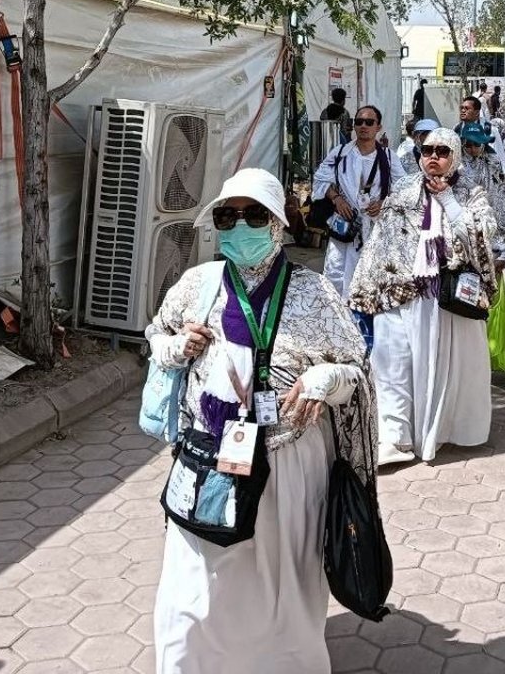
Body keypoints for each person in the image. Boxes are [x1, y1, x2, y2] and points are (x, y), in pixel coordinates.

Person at [147, 168, 376, 674]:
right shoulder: (198, 284)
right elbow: (155, 337)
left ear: (278, 223)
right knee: (195, 584)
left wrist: (325, 379)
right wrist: (175, 346)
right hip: (212, 457)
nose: (239, 226)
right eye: (228, 216)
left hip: (290, 462)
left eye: (254, 215)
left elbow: (357, 371)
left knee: (283, 582)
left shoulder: (314, 292)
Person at [349, 127, 498, 465]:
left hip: (444, 298)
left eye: (443, 151)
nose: (434, 157)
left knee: (440, 368)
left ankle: (440, 431)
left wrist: (447, 199)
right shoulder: (402, 190)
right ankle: (395, 437)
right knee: (391, 362)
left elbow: (482, 235)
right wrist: (365, 288)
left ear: (455, 156)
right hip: (399, 290)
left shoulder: (471, 193)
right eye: (428, 150)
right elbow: (380, 240)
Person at [312, 105, 407, 299]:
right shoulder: (340, 153)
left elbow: (404, 189)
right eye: (359, 122)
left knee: (370, 277)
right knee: (335, 274)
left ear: (378, 127)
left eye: (369, 122)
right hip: (343, 228)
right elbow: (320, 179)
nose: (363, 126)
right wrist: (336, 198)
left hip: (374, 229)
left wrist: (384, 203)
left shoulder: (388, 157)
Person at [458, 122, 505, 260]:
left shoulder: (493, 165)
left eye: (476, 145)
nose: (472, 149)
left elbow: (502, 200)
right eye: (468, 145)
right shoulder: (457, 167)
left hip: (491, 225)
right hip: (465, 225)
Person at [460, 96, 505, 179]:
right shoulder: (458, 129)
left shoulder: (489, 129)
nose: (463, 111)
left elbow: (499, 151)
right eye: (462, 108)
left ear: (477, 112)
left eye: (467, 108)